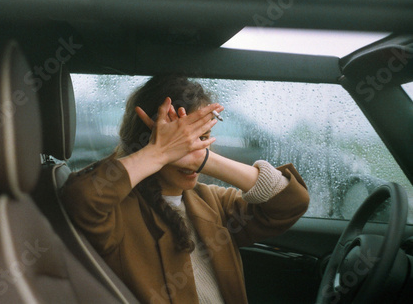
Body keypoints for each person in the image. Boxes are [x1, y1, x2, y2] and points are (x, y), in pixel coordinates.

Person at [61, 75, 310, 304]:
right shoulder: (118, 211)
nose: (190, 148)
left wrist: (201, 157)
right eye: (179, 140)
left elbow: (290, 202)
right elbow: (81, 201)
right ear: (147, 139)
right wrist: (158, 153)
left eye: (203, 136)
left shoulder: (211, 202)